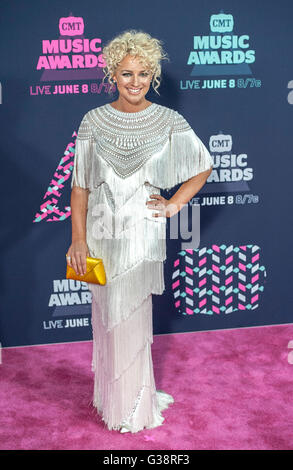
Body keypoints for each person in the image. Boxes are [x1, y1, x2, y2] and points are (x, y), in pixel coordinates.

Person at [66, 29, 213, 433]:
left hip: (141, 232)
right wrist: (78, 239)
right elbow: (79, 187)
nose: (135, 82)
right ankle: (111, 396)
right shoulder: (92, 120)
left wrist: (173, 205)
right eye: (127, 73)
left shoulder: (169, 120)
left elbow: (202, 166)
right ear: (113, 73)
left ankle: (134, 406)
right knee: (108, 315)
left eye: (143, 74)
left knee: (132, 314)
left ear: (153, 76)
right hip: (99, 231)